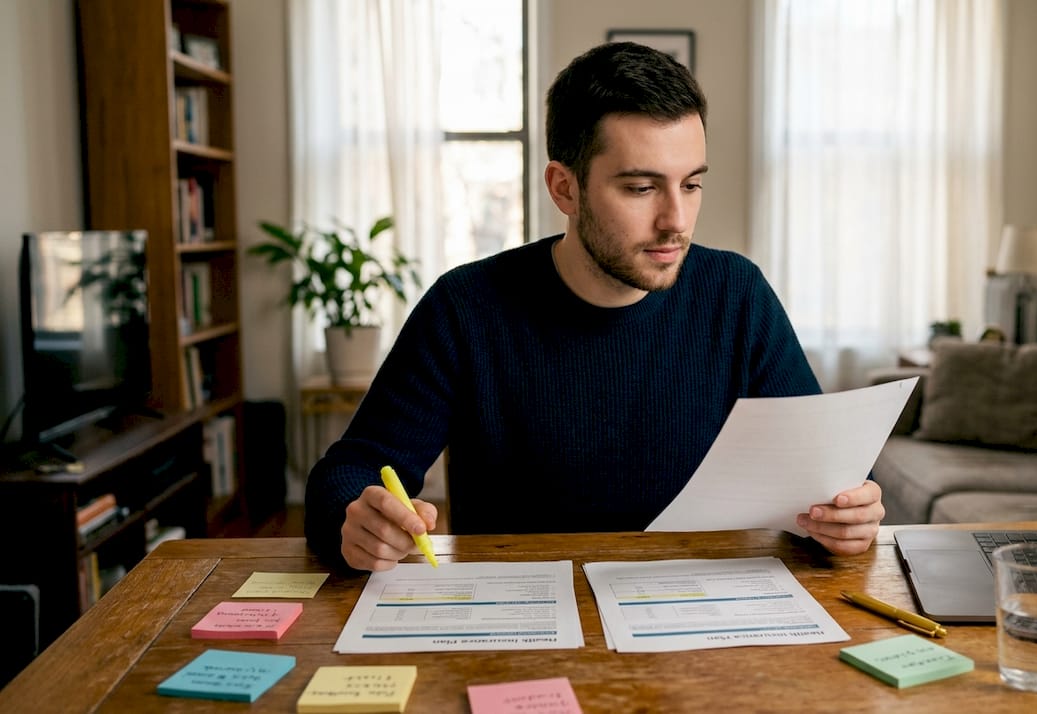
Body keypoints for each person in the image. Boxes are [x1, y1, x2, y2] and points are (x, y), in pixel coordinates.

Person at [305, 41, 885, 571]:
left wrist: (845, 516)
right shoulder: (466, 308)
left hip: (701, 625)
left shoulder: (736, 294)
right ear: (565, 188)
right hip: (520, 631)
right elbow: (347, 474)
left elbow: (823, 481)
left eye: (691, 184)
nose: (675, 222)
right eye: (640, 188)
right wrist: (356, 520)